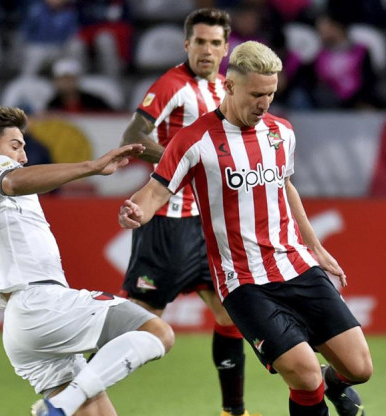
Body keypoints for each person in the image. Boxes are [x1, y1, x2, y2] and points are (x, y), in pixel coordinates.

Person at [119, 41, 373, 416]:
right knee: (304, 377)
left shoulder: (281, 132)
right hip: (244, 282)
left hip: (297, 266)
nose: (264, 103)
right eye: (257, 94)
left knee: (359, 368)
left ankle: (333, 384)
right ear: (230, 87)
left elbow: (285, 187)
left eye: (271, 94)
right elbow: (157, 190)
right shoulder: (195, 140)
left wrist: (315, 246)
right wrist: (135, 211)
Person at [0, 106, 174, 416]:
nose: (22, 156)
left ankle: (58, 406)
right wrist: (92, 166)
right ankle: (59, 406)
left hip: (25, 321)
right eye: (15, 146)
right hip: (40, 303)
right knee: (157, 332)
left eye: (23, 148)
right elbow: (14, 182)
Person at [118, 8, 256, 416]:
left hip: (207, 224)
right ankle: (72, 396)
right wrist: (185, 159)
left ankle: (234, 411)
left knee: (231, 312)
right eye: (200, 42)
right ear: (187, 45)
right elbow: (133, 136)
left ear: (226, 47)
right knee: (139, 324)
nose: (208, 50)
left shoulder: (224, 90)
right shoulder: (172, 85)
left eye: (215, 43)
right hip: (167, 223)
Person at [46, 58, 112, 112]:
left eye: (69, 79)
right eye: (61, 79)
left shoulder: (95, 102)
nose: (66, 83)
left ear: (77, 80)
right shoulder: (52, 106)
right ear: (55, 82)